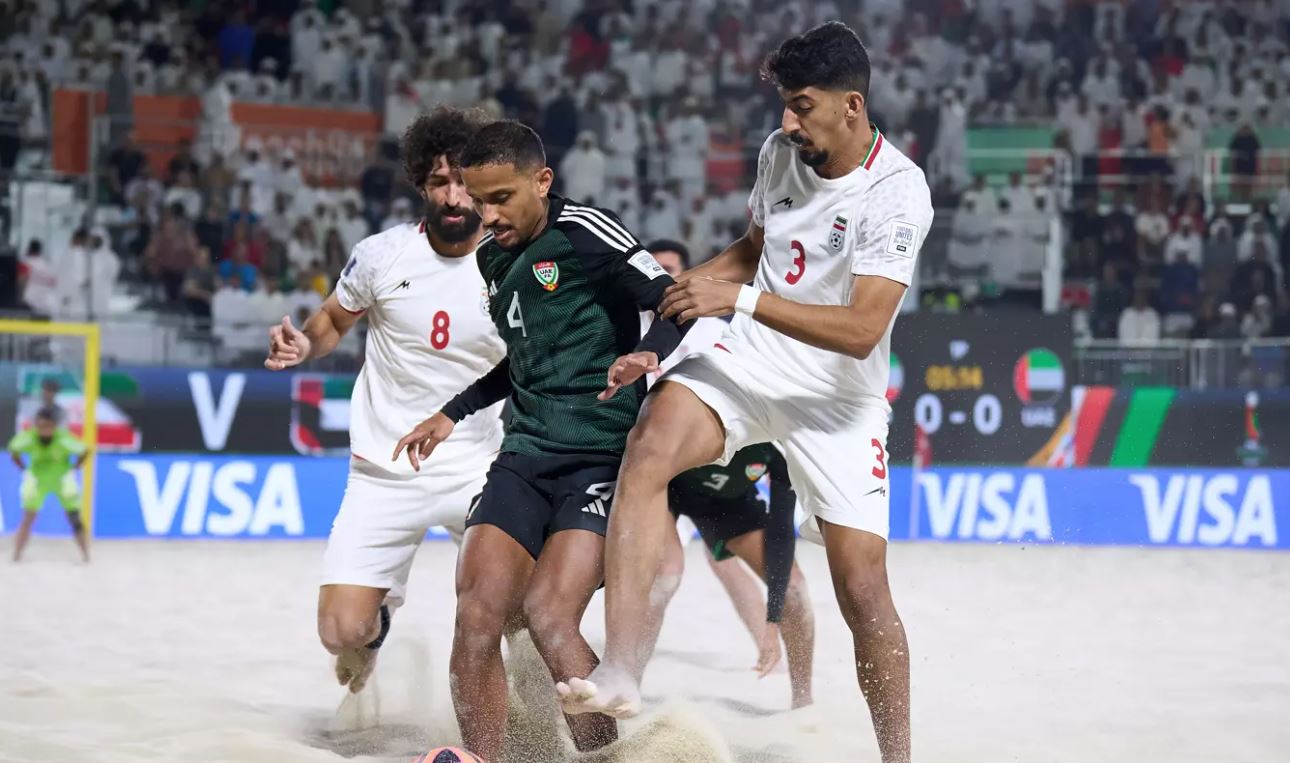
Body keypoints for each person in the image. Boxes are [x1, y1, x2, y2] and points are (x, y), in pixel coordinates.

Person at [557, 23, 932, 763]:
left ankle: (899, 757)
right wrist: (686, 288)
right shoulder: (780, 153)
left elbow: (861, 329)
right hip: (750, 361)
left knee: (862, 589)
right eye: (785, 108)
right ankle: (624, 667)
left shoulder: (899, 189)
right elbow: (755, 251)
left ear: (851, 106)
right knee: (651, 445)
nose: (787, 123)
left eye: (802, 107)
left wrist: (738, 299)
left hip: (837, 400)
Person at [391, 121, 687, 762]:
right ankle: (483, 758)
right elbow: (525, 356)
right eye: (476, 199)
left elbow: (673, 300)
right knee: (477, 611)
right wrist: (453, 412)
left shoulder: (585, 231)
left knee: (551, 615)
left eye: (500, 198)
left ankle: (601, 758)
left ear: (542, 181)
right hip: (522, 456)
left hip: (601, 458)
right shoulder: (492, 257)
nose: (484, 214)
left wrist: (646, 355)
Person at [262, 107, 505, 697]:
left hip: (484, 465)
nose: (452, 196)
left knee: (508, 613)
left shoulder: (515, 259)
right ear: (420, 183)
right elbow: (329, 322)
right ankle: (377, 633)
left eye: (462, 182)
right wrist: (303, 346)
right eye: (438, 182)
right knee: (340, 630)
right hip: (385, 467)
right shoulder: (380, 254)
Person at [642, 240, 816, 710]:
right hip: (670, 479)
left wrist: (773, 619)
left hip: (722, 497)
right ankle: (628, 680)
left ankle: (803, 702)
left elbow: (782, 529)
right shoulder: (665, 345)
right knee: (666, 574)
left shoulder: (783, 423)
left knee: (794, 587)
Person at [8, 406, 90, 563]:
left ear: (54, 426)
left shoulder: (64, 438)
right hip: (38, 480)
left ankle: (86, 555)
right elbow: (13, 450)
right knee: (28, 517)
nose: (44, 430)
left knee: (74, 518)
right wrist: (25, 471)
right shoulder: (29, 437)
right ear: (36, 425)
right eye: (41, 426)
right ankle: (16, 555)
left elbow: (85, 450)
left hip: (62, 480)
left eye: (48, 426)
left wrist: (73, 470)